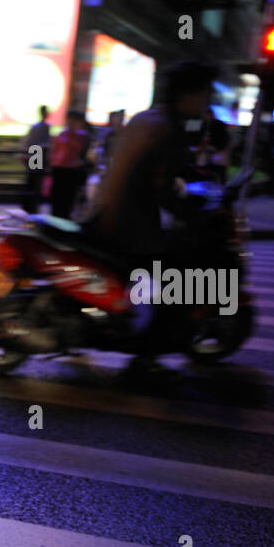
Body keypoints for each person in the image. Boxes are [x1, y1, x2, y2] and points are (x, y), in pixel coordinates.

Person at [82, 60, 219, 379]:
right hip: (127, 228)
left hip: (102, 214)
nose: (206, 103)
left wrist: (194, 177)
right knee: (183, 281)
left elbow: (161, 169)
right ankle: (147, 353)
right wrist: (194, 216)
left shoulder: (147, 118)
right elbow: (162, 188)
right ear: (187, 95)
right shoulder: (168, 129)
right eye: (204, 96)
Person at [48, 109, 90, 220]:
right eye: (70, 120)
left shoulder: (82, 136)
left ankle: (64, 220)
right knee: (57, 197)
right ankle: (55, 220)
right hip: (59, 169)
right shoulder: (61, 135)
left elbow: (83, 153)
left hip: (72, 170)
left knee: (68, 198)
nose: (71, 122)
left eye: (74, 120)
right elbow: (54, 151)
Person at [20, 105, 50, 213]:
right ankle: (31, 208)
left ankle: (29, 207)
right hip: (38, 153)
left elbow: (28, 142)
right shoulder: (44, 127)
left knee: (34, 181)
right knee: (35, 182)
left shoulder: (39, 126)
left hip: (35, 153)